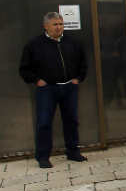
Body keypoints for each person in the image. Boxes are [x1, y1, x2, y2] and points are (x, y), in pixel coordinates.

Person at [18, 11, 89, 168]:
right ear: (46, 26)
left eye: (61, 24)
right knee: (44, 122)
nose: (59, 27)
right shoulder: (34, 45)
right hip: (47, 90)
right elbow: (24, 69)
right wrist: (37, 81)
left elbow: (83, 62)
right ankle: (43, 156)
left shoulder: (73, 43)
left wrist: (79, 78)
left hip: (69, 87)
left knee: (71, 120)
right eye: (55, 24)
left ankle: (73, 151)